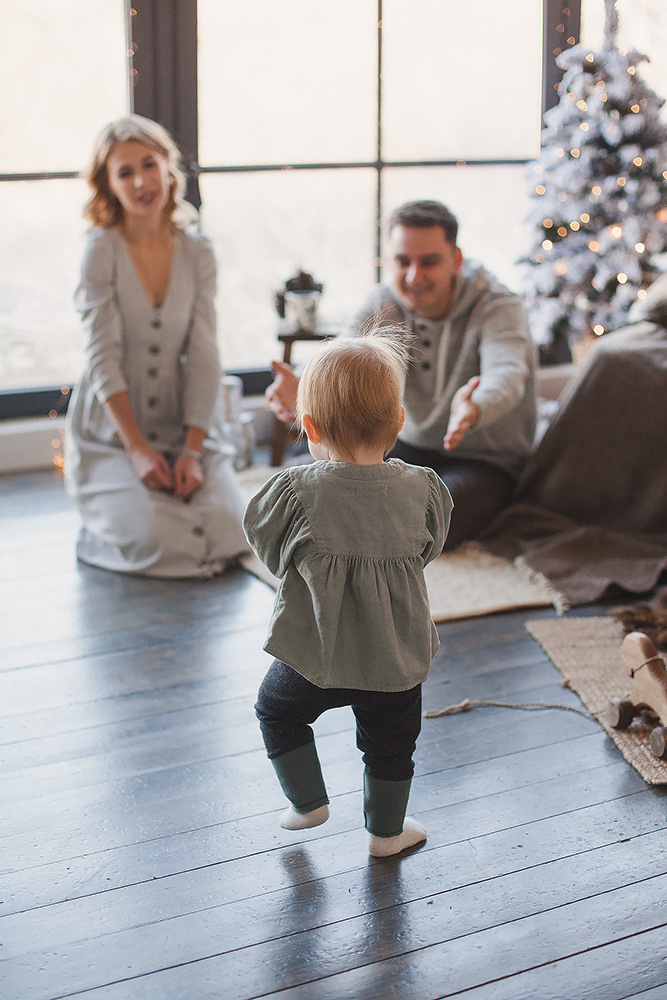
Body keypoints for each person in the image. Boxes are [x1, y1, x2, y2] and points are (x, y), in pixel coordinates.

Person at [244, 334, 452, 857]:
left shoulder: (293, 490)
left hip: (315, 653)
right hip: (395, 657)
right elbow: (427, 551)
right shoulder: (424, 488)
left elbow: (267, 547)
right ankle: (386, 834)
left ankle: (308, 801)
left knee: (276, 709)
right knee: (391, 747)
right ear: (399, 421)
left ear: (308, 426)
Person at [266, 200, 536, 550]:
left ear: (456, 260)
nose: (413, 276)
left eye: (429, 262)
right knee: (298, 481)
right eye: (402, 261)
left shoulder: (498, 306)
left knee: (424, 521)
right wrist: (302, 387)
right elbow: (340, 355)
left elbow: (508, 373)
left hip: (482, 458)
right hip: (404, 445)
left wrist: (476, 407)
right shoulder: (383, 302)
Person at [65, 115, 248, 577]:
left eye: (149, 164)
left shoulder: (198, 252)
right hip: (113, 432)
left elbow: (205, 354)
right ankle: (105, 518)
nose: (142, 181)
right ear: (108, 185)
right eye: (125, 172)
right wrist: (139, 449)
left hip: (182, 418)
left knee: (230, 532)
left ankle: (172, 495)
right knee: (157, 540)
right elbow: (101, 356)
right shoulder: (100, 250)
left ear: (168, 167)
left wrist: (191, 449)